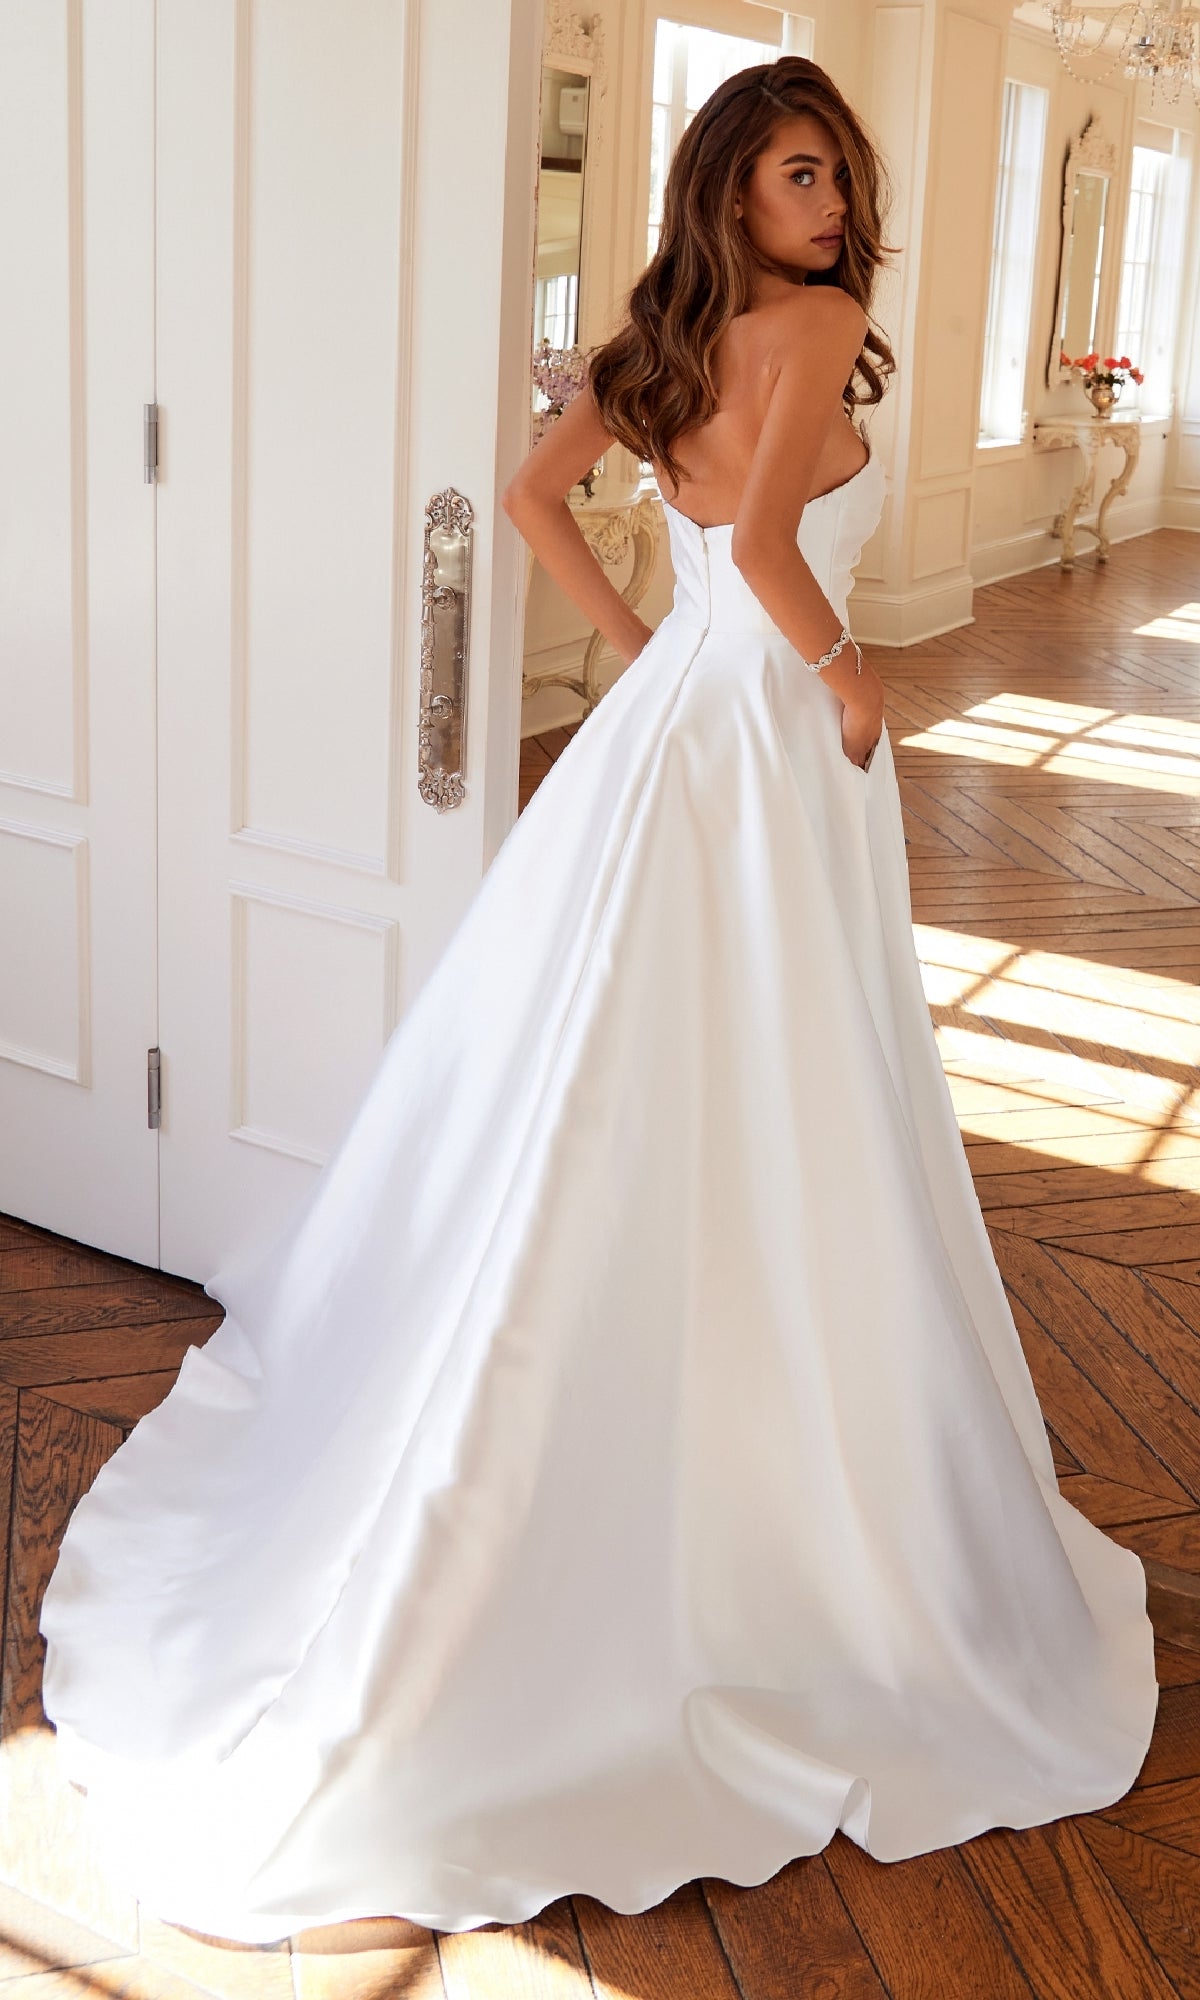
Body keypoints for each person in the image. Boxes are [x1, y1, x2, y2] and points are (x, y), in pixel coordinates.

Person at [39, 56, 1158, 1944]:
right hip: (767, 734)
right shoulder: (817, 318)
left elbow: (545, 489)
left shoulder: (675, 322)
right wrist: (847, 685)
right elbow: (787, 558)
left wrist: (655, 647)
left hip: (678, 728)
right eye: (799, 171)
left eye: (839, 175)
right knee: (769, 1067)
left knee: (612, 1060)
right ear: (738, 181)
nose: (827, 202)